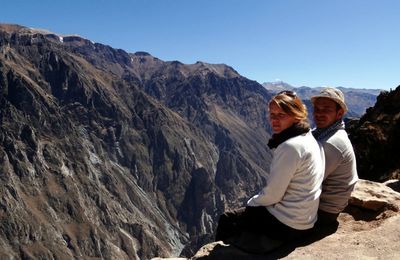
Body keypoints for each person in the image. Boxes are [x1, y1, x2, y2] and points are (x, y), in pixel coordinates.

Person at [215, 91, 325, 252]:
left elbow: (273, 194)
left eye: (281, 114)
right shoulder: (308, 137)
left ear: (296, 115)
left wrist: (251, 204)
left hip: (288, 224)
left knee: (228, 219)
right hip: (306, 219)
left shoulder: (290, 146)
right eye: (272, 114)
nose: (274, 120)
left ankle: (221, 255)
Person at [311, 87, 358, 226]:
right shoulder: (324, 133)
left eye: (326, 109)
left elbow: (306, 181)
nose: (319, 114)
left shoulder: (332, 144)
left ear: (339, 114)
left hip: (322, 213)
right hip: (323, 206)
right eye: (317, 109)